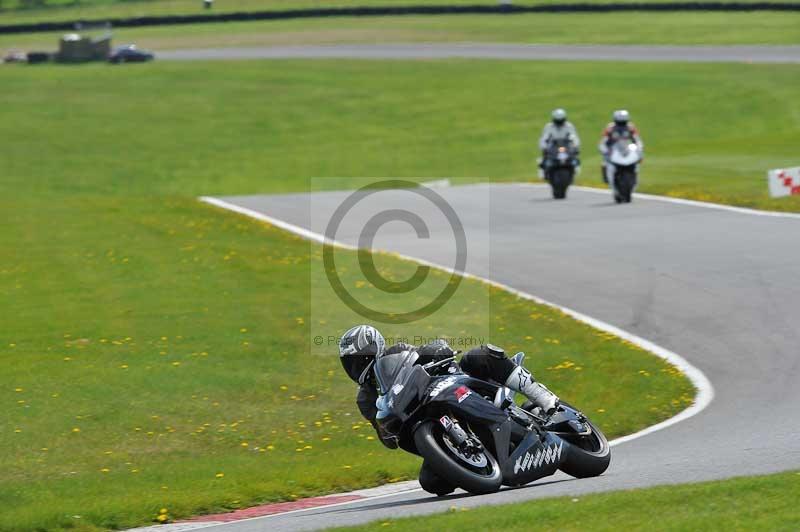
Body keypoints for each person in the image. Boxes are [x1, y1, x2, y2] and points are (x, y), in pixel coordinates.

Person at [338, 324, 560, 450]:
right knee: (432, 483)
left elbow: (427, 351)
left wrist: (437, 350)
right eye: (350, 363)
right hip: (424, 421)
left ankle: (546, 400)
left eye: (360, 358)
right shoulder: (365, 399)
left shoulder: (397, 352)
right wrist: (386, 430)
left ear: (375, 348)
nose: (356, 366)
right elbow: (388, 439)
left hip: (445, 388)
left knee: (479, 356)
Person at [598, 110, 643, 182]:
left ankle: (634, 177)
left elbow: (637, 140)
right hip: (613, 149)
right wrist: (604, 150)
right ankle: (606, 179)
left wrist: (639, 149)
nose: (622, 125)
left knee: (637, 162)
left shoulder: (631, 128)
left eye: (623, 122)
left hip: (626, 150)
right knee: (605, 163)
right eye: (620, 122)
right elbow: (603, 142)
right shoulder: (610, 128)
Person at [538, 108, 580, 177]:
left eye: (561, 121)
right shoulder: (549, 127)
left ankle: (575, 171)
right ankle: (543, 172)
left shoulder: (569, 126)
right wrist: (544, 147)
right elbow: (544, 138)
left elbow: (574, 137)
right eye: (558, 121)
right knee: (544, 159)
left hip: (566, 146)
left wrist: (575, 146)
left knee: (575, 158)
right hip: (553, 146)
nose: (559, 123)